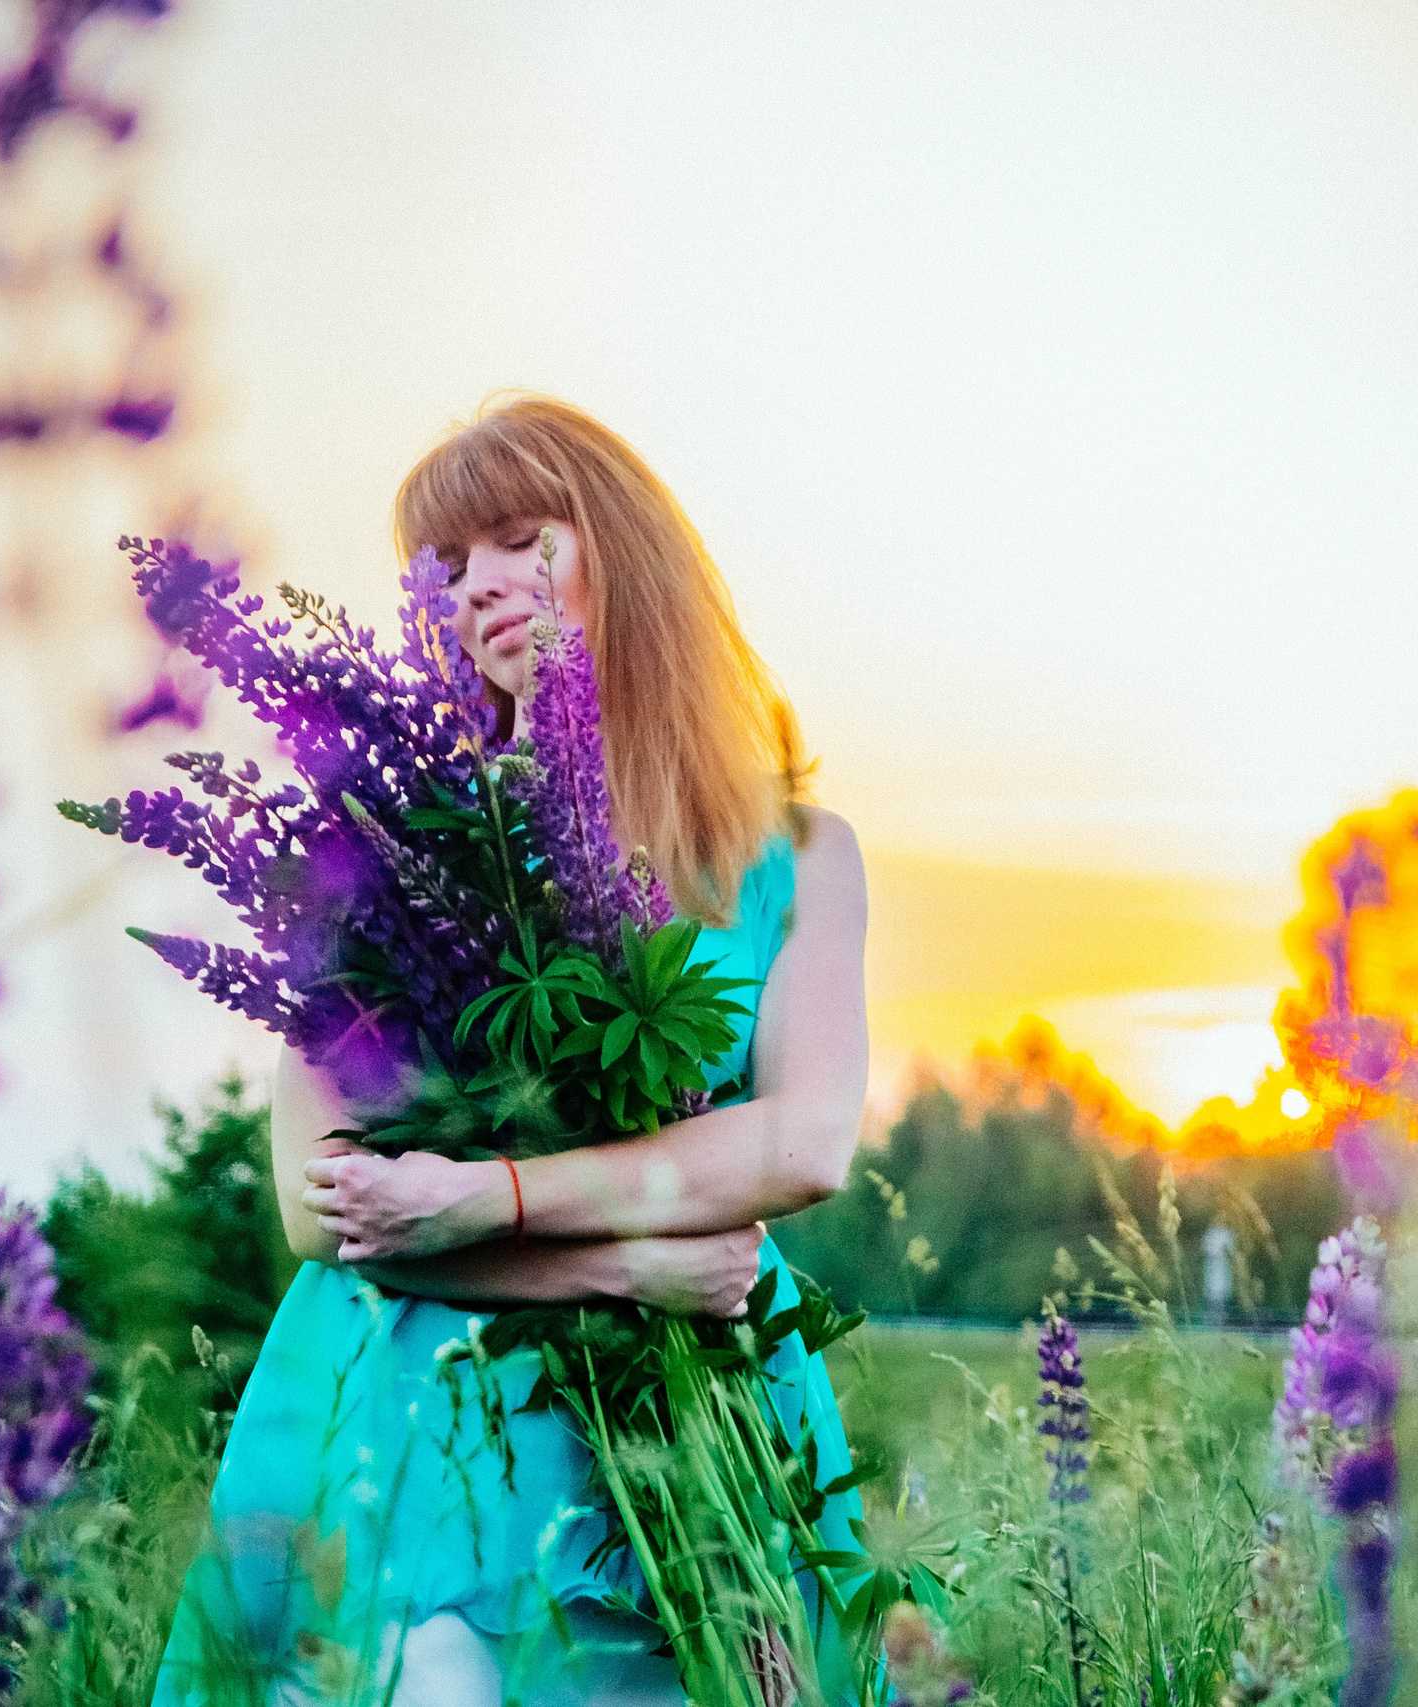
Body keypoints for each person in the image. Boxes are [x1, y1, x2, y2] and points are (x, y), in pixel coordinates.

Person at [150, 395, 872, 1707]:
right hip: (439, 1406)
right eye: (445, 566)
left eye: (520, 537)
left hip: (705, 1412)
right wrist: (632, 1261)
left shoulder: (799, 857)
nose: (477, 586)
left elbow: (801, 1141)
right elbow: (325, 1200)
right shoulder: (378, 856)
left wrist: (480, 1199)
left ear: (623, 552)